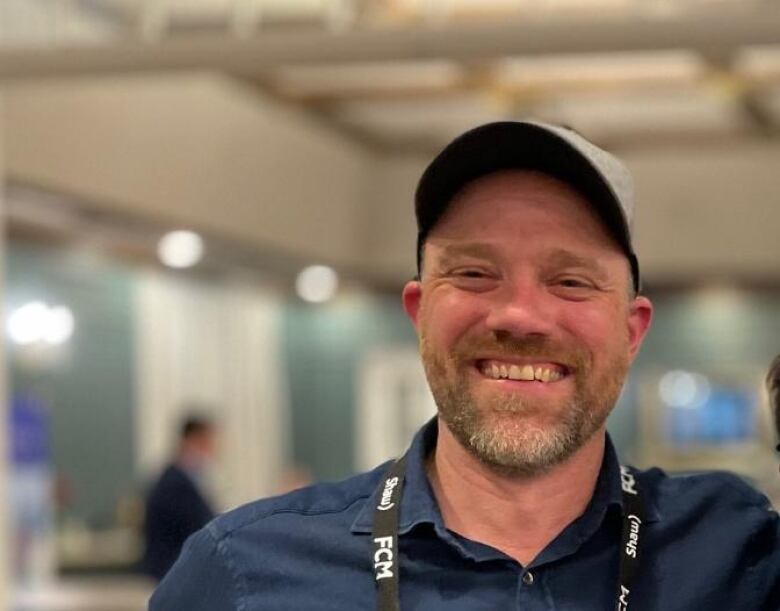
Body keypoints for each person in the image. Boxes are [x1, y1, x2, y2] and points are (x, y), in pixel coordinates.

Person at [150, 122, 780, 610]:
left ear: (632, 329)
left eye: (570, 280)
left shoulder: (740, 550)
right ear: (420, 311)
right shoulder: (242, 575)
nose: (521, 315)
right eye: (475, 273)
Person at [141, 415, 217, 581]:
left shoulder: (184, 479)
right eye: (208, 441)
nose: (213, 448)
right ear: (193, 440)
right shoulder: (175, 483)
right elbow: (203, 527)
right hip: (171, 573)